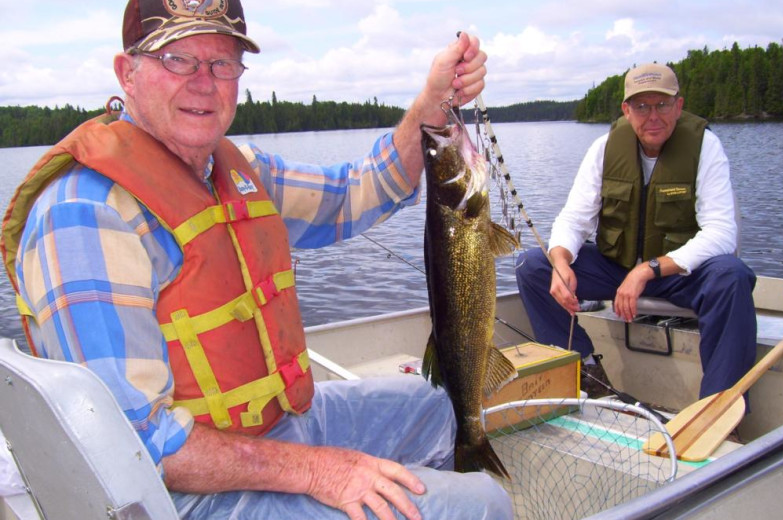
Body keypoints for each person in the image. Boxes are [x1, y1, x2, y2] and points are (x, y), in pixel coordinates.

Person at [0, 1, 512, 519]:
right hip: (184, 495)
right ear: (126, 73)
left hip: (271, 426)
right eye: (177, 59)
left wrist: (430, 104)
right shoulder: (83, 217)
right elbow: (136, 443)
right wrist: (317, 471)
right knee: (483, 504)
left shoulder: (235, 171)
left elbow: (354, 192)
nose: (204, 82)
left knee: (437, 409)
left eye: (222, 63)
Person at [515, 63, 757, 402]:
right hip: (616, 265)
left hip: (679, 273)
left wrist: (649, 269)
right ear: (627, 110)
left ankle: (720, 407)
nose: (652, 116)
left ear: (679, 106)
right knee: (535, 267)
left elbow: (721, 233)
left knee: (732, 277)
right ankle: (584, 372)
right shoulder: (604, 148)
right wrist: (561, 262)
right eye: (642, 106)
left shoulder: (706, 147)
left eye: (662, 105)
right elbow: (574, 219)